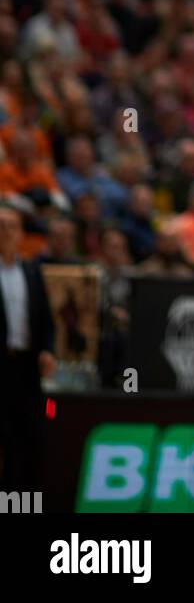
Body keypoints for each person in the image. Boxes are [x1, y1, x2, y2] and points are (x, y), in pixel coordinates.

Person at [0, 204, 56, 491]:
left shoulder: (32, 271)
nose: (6, 232)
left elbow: (46, 320)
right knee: (5, 440)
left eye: (12, 226)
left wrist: (47, 350)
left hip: (26, 366)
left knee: (31, 438)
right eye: (1, 225)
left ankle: (25, 507)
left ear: (21, 233)